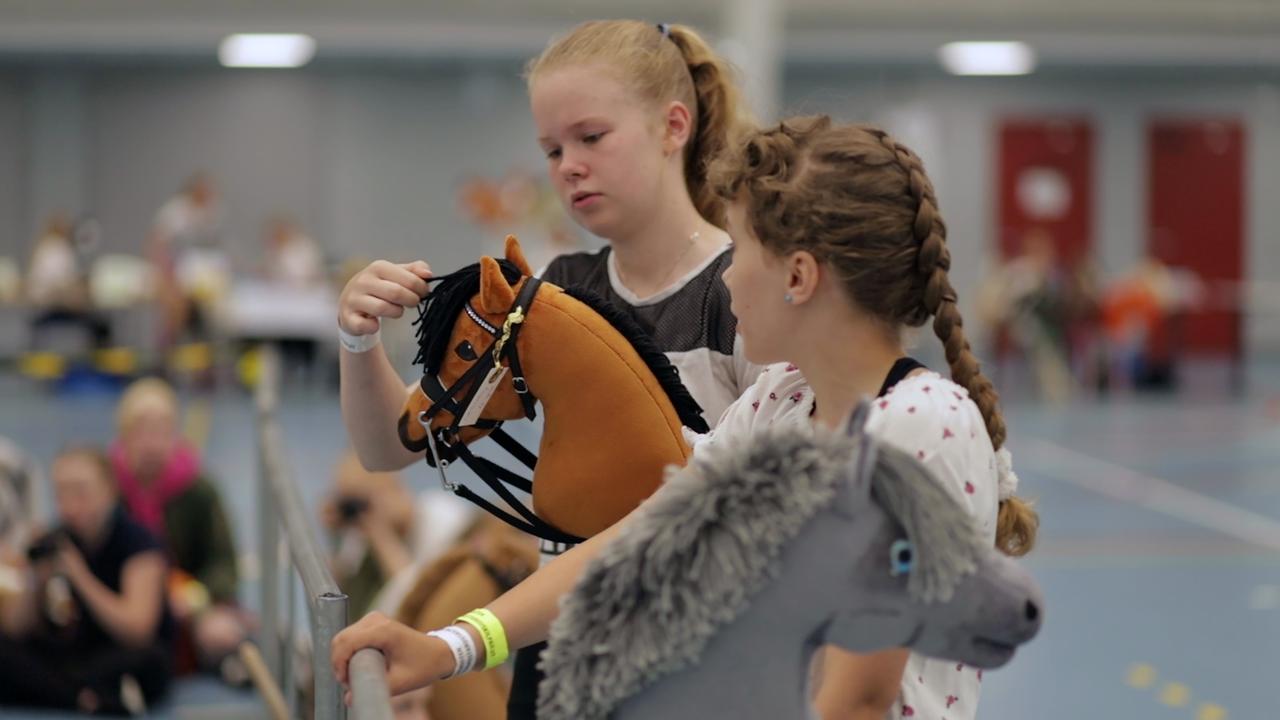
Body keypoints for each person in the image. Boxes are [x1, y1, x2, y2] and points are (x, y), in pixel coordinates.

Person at [332, 117, 1041, 720]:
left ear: (798, 277)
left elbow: (854, 697)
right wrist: (453, 646)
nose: (727, 276)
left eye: (741, 254)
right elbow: (638, 540)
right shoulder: (779, 402)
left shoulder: (919, 425)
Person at [335, 19, 762, 717]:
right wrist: (358, 341)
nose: (567, 165)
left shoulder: (745, 294)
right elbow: (391, 445)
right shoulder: (556, 292)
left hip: (701, 663)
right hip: (559, 650)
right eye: (552, 148)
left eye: (591, 138)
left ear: (672, 126)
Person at [0, 446, 171, 715]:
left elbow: (138, 630)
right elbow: (19, 628)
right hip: (80, 651)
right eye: (61, 493)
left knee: (147, 662)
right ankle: (84, 697)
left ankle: (65, 692)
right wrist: (36, 579)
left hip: (124, 651)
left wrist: (79, 576)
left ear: (109, 490)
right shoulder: (58, 539)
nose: (70, 503)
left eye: (80, 491)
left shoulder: (139, 542)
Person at [109, 377, 249, 680]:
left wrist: (197, 596)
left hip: (189, 603)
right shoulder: (107, 489)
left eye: (160, 432)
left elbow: (223, 561)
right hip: (125, 604)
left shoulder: (199, 490)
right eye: (142, 431)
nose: (151, 443)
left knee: (220, 634)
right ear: (125, 435)